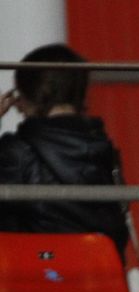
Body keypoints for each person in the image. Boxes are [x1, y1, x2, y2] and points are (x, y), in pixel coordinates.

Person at [0, 43, 129, 257]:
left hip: (34, 276)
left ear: (32, 93)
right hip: (99, 276)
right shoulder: (104, 149)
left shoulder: (17, 151)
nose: (17, 105)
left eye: (18, 94)